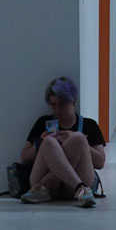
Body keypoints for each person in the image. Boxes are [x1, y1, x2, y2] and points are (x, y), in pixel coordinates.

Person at [19, 76, 106, 207]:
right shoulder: (43, 122)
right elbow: (24, 157)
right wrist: (40, 143)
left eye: (62, 104)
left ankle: (45, 187)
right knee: (49, 142)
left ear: (73, 101)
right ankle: (80, 188)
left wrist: (82, 144)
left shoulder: (89, 125)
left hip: (56, 185)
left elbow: (100, 162)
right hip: (52, 186)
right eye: (53, 105)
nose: (58, 109)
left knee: (78, 138)